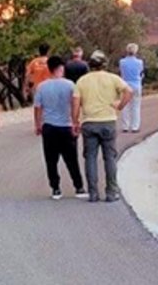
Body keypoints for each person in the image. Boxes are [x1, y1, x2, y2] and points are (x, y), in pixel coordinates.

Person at [73, 50, 133, 202]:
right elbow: (129, 91)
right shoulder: (113, 78)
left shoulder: (82, 81)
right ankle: (111, 192)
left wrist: (75, 121)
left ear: (90, 65)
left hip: (89, 122)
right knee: (110, 158)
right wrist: (119, 106)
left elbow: (75, 103)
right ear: (104, 64)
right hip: (108, 121)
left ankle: (93, 193)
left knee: (90, 158)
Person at [33, 55, 87, 200]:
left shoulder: (42, 86)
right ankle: (79, 187)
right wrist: (76, 122)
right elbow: (75, 104)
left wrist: (38, 124)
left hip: (49, 126)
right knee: (72, 159)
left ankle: (56, 188)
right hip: (66, 125)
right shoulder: (70, 85)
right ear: (61, 68)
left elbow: (38, 108)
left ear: (49, 69)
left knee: (51, 160)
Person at [118, 43, 145, 133]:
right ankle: (135, 127)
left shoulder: (122, 62)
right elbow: (140, 73)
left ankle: (125, 126)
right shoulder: (139, 62)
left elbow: (122, 73)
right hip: (136, 85)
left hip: (125, 85)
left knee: (125, 106)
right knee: (136, 106)